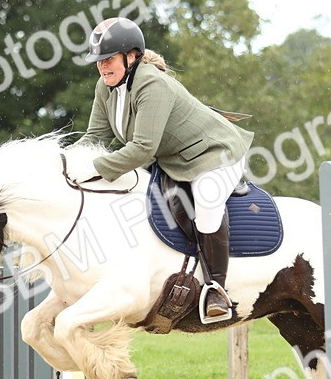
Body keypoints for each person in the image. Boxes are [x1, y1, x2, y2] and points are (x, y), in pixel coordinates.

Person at [70, 17, 254, 323]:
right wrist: (66, 164)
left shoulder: (151, 84)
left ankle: (216, 290)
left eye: (109, 59)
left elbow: (142, 149)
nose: (103, 67)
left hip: (217, 153)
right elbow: (95, 139)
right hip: (176, 160)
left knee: (207, 201)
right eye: (99, 61)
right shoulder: (105, 88)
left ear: (131, 56)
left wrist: (94, 169)